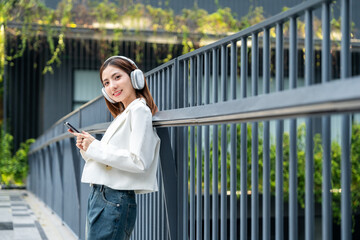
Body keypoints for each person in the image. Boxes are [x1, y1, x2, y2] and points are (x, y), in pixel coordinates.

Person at [68, 56, 160, 240]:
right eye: (107, 82)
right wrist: (88, 148)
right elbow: (110, 160)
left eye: (117, 77)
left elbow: (138, 161)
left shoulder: (139, 111)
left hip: (115, 198)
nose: (112, 86)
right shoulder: (123, 114)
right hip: (101, 195)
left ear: (135, 77)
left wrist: (95, 147)